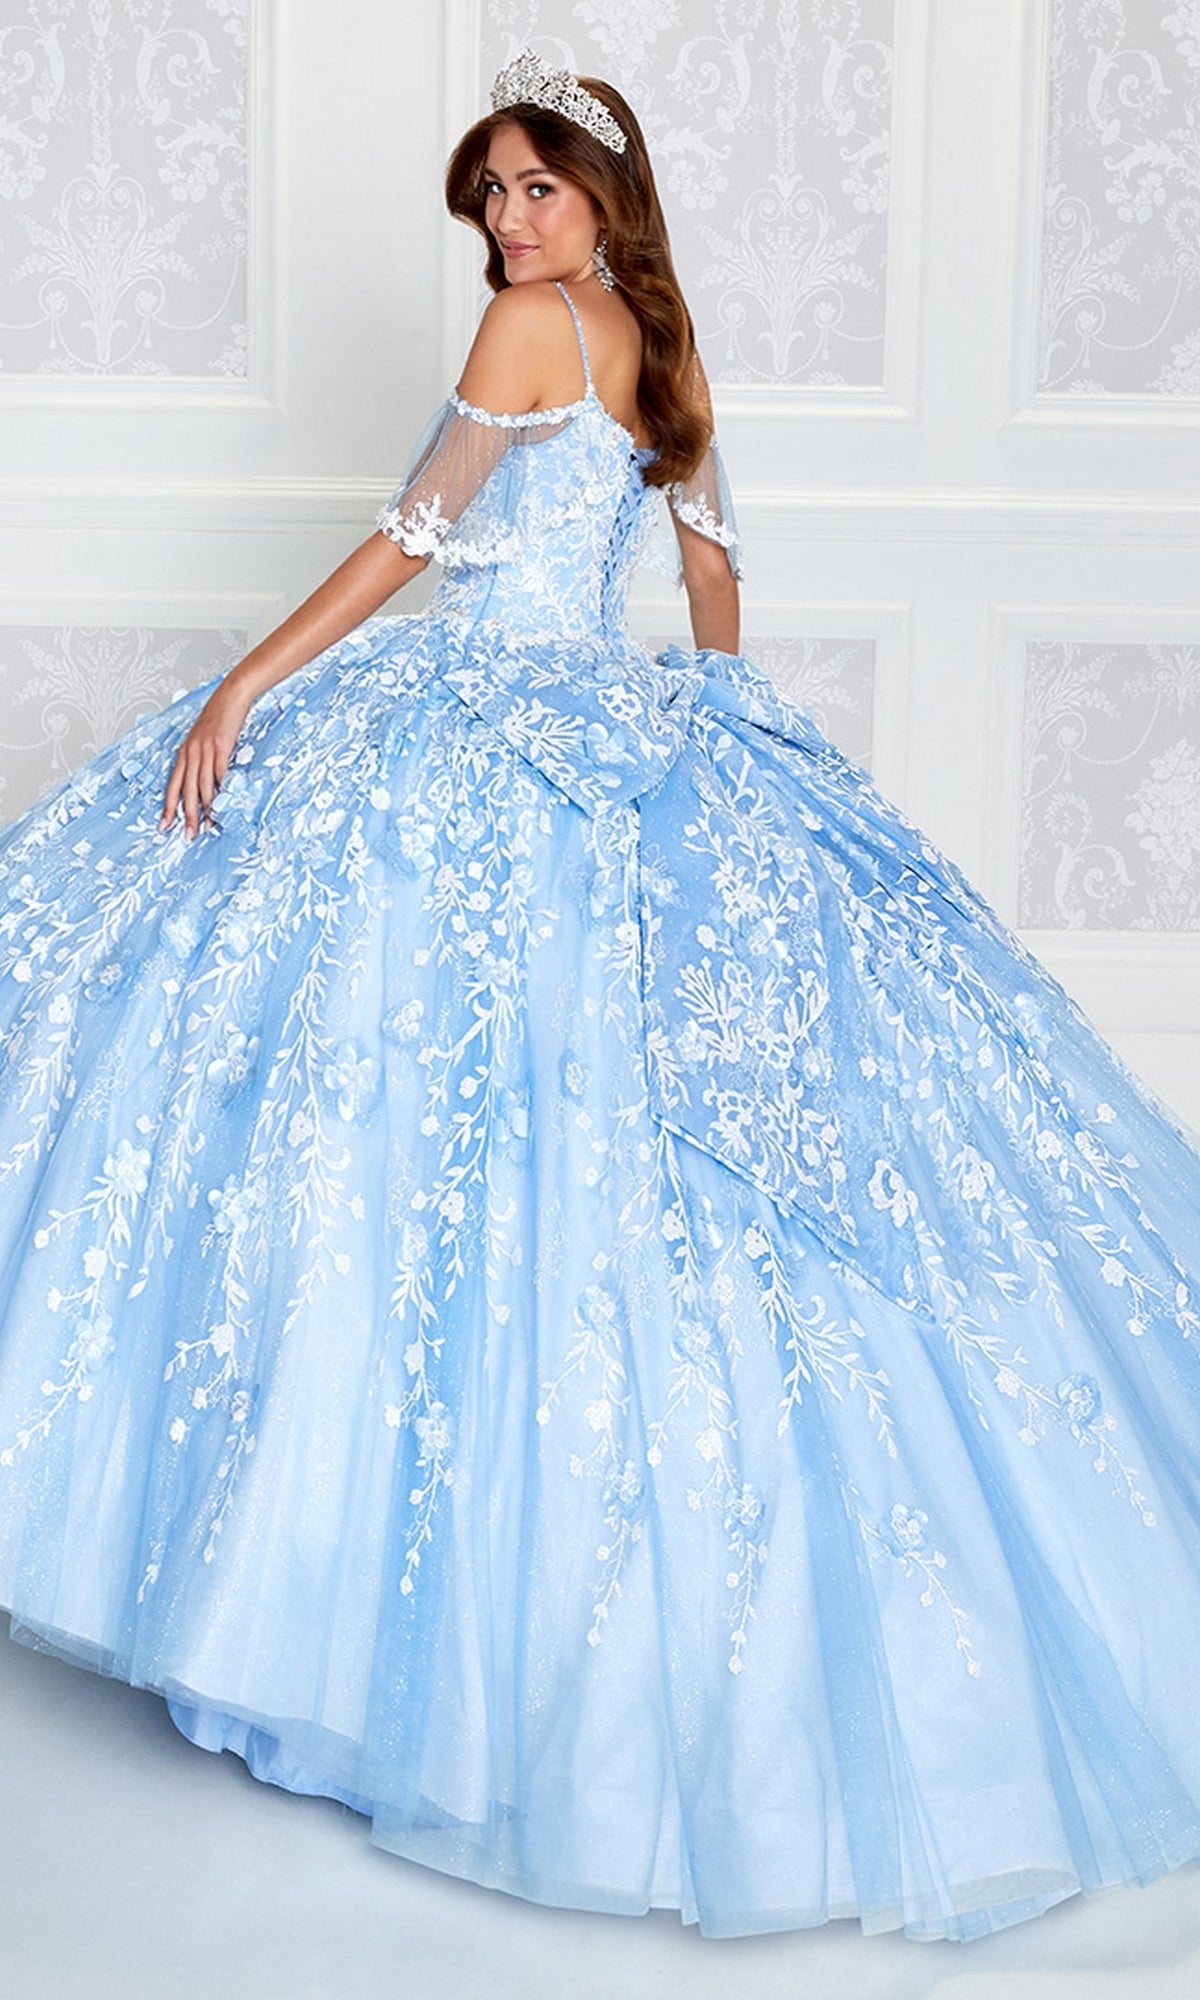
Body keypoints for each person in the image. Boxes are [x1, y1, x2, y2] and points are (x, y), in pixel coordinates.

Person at [2, 48, 1200, 1949]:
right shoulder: (659, 335)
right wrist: (714, 732)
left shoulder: (533, 328)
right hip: (614, 724)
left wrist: (243, 684)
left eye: (531, 187)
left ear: (594, 188)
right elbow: (712, 565)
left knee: (404, 1102)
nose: (505, 223)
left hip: (489, 723)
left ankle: (334, 1602)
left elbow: (418, 537)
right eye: (486, 197)